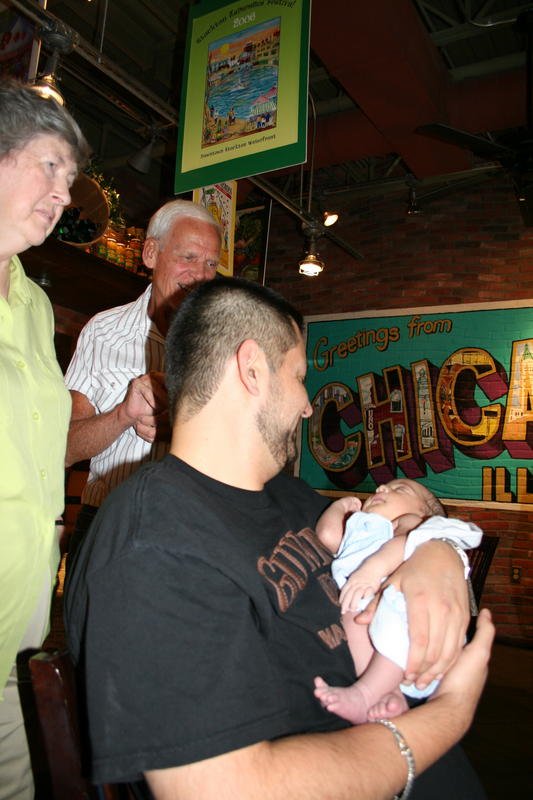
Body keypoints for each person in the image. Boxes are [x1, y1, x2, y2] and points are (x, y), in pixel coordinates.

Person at [64, 277, 494, 800]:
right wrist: (448, 717)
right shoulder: (156, 542)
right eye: (299, 377)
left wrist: (436, 553)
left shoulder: (293, 498)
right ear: (251, 369)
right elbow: (221, 791)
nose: (309, 406)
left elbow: (402, 536)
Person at [0, 78, 90, 800]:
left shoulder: (33, 303)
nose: (64, 193)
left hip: (25, 602)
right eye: (50, 165)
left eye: (72, 178)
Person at [64, 198, 222, 557]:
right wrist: (123, 415)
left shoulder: (227, 343)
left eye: (211, 263)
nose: (200, 275)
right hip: (107, 521)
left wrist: (183, 427)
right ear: (151, 253)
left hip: (192, 530)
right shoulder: (102, 332)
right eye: (188, 257)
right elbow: (65, 448)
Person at [313, 480, 482, 724]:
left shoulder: (411, 522)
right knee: (354, 623)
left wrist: (372, 571)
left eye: (400, 489)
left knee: (389, 624)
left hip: (397, 593)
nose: (381, 489)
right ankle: (388, 693)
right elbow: (327, 537)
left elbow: (404, 544)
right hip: (360, 599)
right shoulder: (359, 526)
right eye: (381, 488)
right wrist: (339, 507)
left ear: (424, 513)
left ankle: (366, 694)